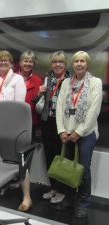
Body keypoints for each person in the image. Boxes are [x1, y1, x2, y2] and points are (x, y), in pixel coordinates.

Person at [56, 51, 102, 218]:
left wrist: (79, 132)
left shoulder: (95, 82)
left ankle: (83, 203)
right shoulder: (67, 82)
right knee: (68, 169)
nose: (79, 64)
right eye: (76, 61)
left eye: (83, 61)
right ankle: (69, 199)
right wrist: (61, 130)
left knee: (83, 170)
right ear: (73, 64)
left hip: (86, 134)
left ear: (87, 64)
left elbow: (93, 111)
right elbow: (60, 108)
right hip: (67, 134)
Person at [0, 50, 31, 212]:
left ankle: (27, 197)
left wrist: (8, 124)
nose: (3, 62)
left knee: (20, 163)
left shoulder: (17, 79)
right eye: (0, 60)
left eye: (6, 60)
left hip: (14, 129)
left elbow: (19, 106)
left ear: (11, 63)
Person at [36, 51, 70, 205]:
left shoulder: (70, 80)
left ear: (65, 64)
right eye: (55, 62)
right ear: (51, 64)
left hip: (62, 124)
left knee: (61, 157)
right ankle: (53, 187)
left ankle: (62, 190)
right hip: (47, 121)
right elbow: (40, 100)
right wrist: (39, 92)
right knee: (49, 155)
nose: (57, 64)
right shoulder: (47, 78)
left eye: (61, 62)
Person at [16, 51, 42, 138]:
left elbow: (38, 104)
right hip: (13, 118)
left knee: (26, 147)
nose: (28, 64)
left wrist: (39, 95)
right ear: (20, 63)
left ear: (34, 64)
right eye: (25, 61)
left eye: (30, 61)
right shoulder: (12, 77)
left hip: (30, 120)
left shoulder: (38, 81)